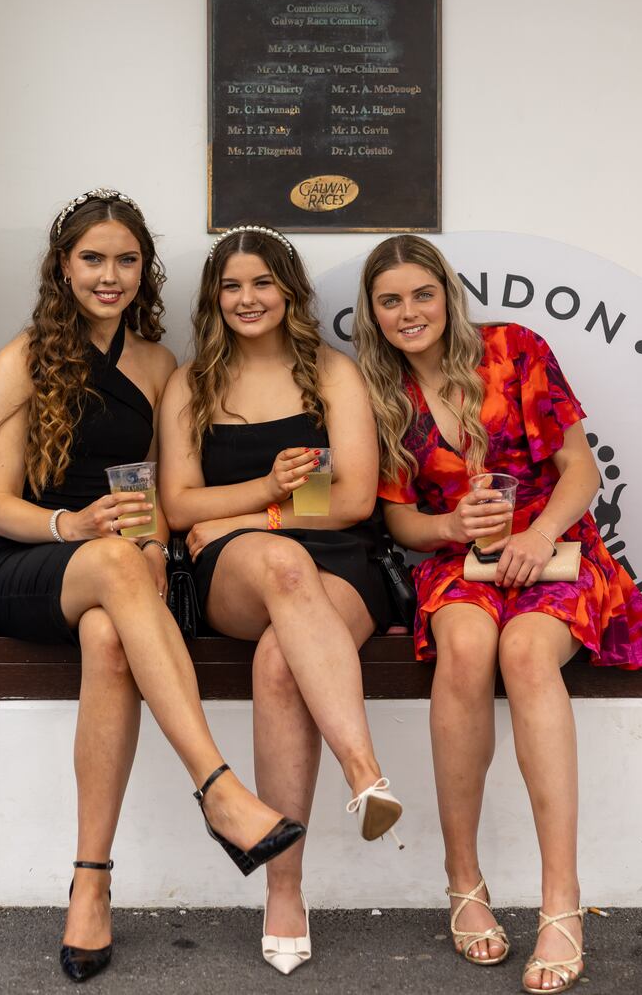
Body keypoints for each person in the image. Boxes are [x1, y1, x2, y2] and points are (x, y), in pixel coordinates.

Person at [0, 192, 305, 985]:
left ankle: (90, 882)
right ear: (63, 266)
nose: (110, 275)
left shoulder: (158, 366)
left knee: (109, 637)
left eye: (126, 260)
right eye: (93, 258)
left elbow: (154, 495)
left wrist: (155, 544)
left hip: (118, 569)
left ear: (144, 272)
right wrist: (74, 525)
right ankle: (218, 787)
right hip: (30, 562)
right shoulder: (21, 359)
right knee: (116, 569)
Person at [353, 234, 642, 993]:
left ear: (448, 294)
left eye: (422, 294)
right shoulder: (378, 392)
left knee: (526, 653)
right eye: (391, 300)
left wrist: (539, 532)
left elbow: (580, 468)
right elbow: (399, 520)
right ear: (372, 312)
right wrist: (449, 525)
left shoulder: (514, 349)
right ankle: (463, 880)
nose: (409, 312)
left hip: (555, 547)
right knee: (467, 646)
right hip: (459, 559)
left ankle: (560, 899)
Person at [159, 224, 403, 976]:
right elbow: (178, 504)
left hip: (337, 559)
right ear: (213, 298)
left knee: (278, 661)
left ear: (289, 290)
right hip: (236, 568)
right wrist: (264, 496)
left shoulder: (330, 372)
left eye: (262, 282)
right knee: (283, 565)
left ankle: (284, 891)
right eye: (231, 286)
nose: (247, 298)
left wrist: (246, 515)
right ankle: (364, 771)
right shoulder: (191, 383)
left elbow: (353, 500)